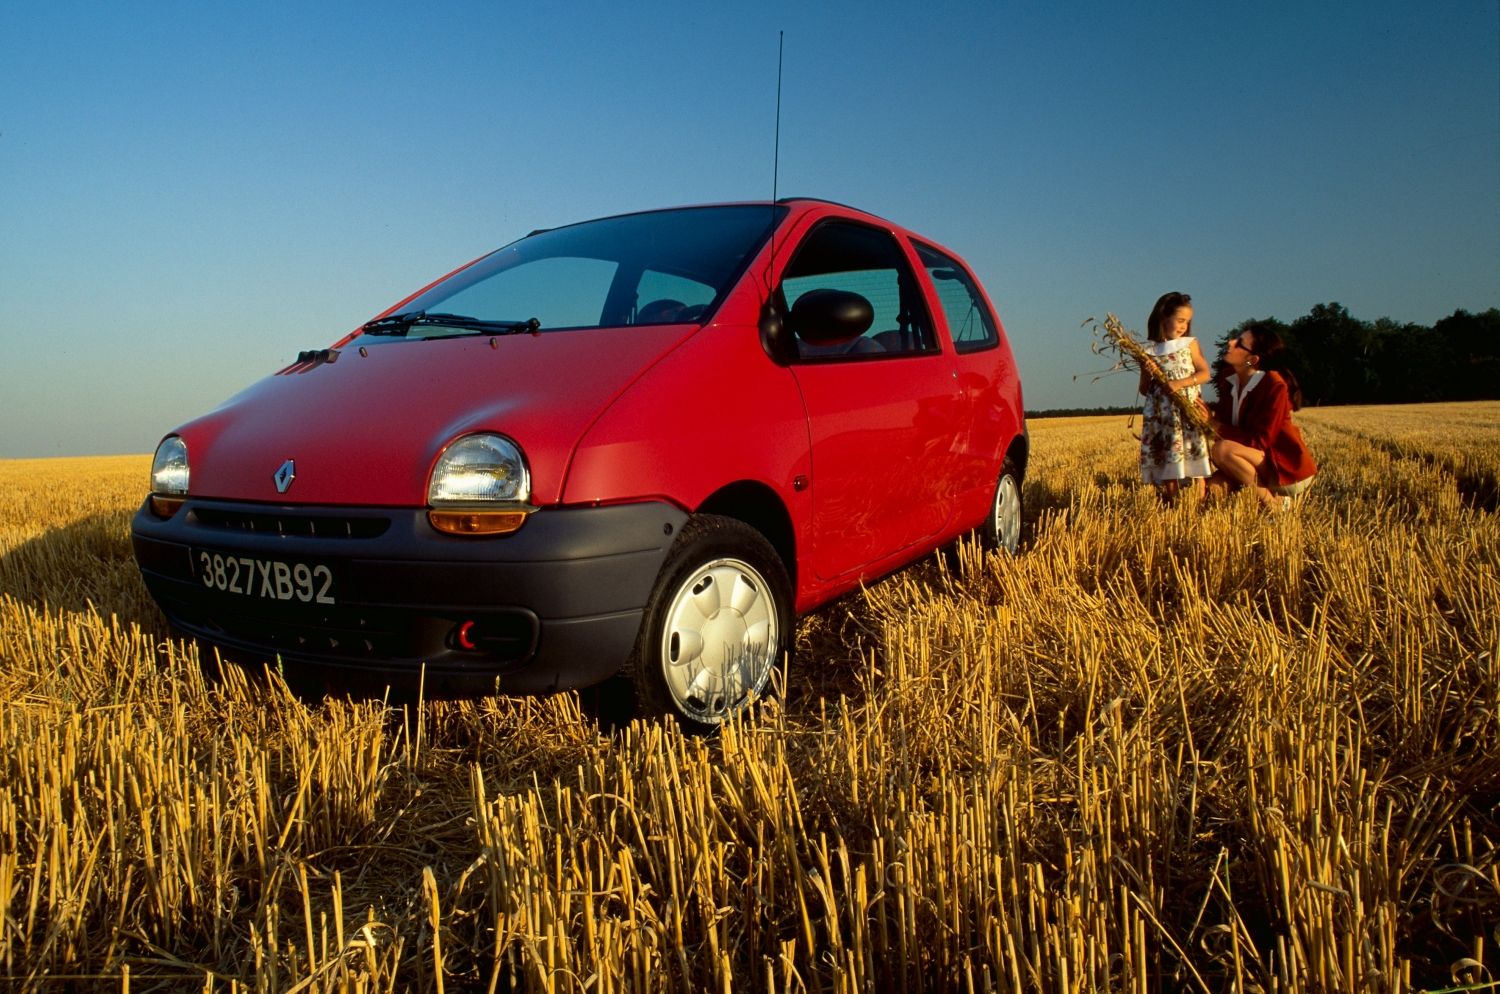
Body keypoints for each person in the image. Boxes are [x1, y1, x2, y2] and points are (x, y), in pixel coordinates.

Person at [1208, 326, 1317, 511]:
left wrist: (1216, 426)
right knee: (1211, 490)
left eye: (1240, 343)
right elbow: (1225, 422)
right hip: (1252, 460)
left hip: (1283, 468)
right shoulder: (1229, 380)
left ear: (1252, 360)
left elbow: (1260, 441)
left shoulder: (1274, 385)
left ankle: (1274, 506)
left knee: (1223, 450)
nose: (1231, 343)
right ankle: (1266, 497)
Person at [1138, 291, 1212, 499]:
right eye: (1180, 320)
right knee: (1168, 457)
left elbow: (1205, 373)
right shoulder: (1148, 350)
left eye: (1187, 322)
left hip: (1186, 411)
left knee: (1194, 451)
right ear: (1163, 317)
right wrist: (1148, 372)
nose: (1183, 326)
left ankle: (1199, 499)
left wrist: (1180, 383)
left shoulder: (1189, 344)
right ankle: (1173, 500)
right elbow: (1144, 390)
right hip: (1162, 416)